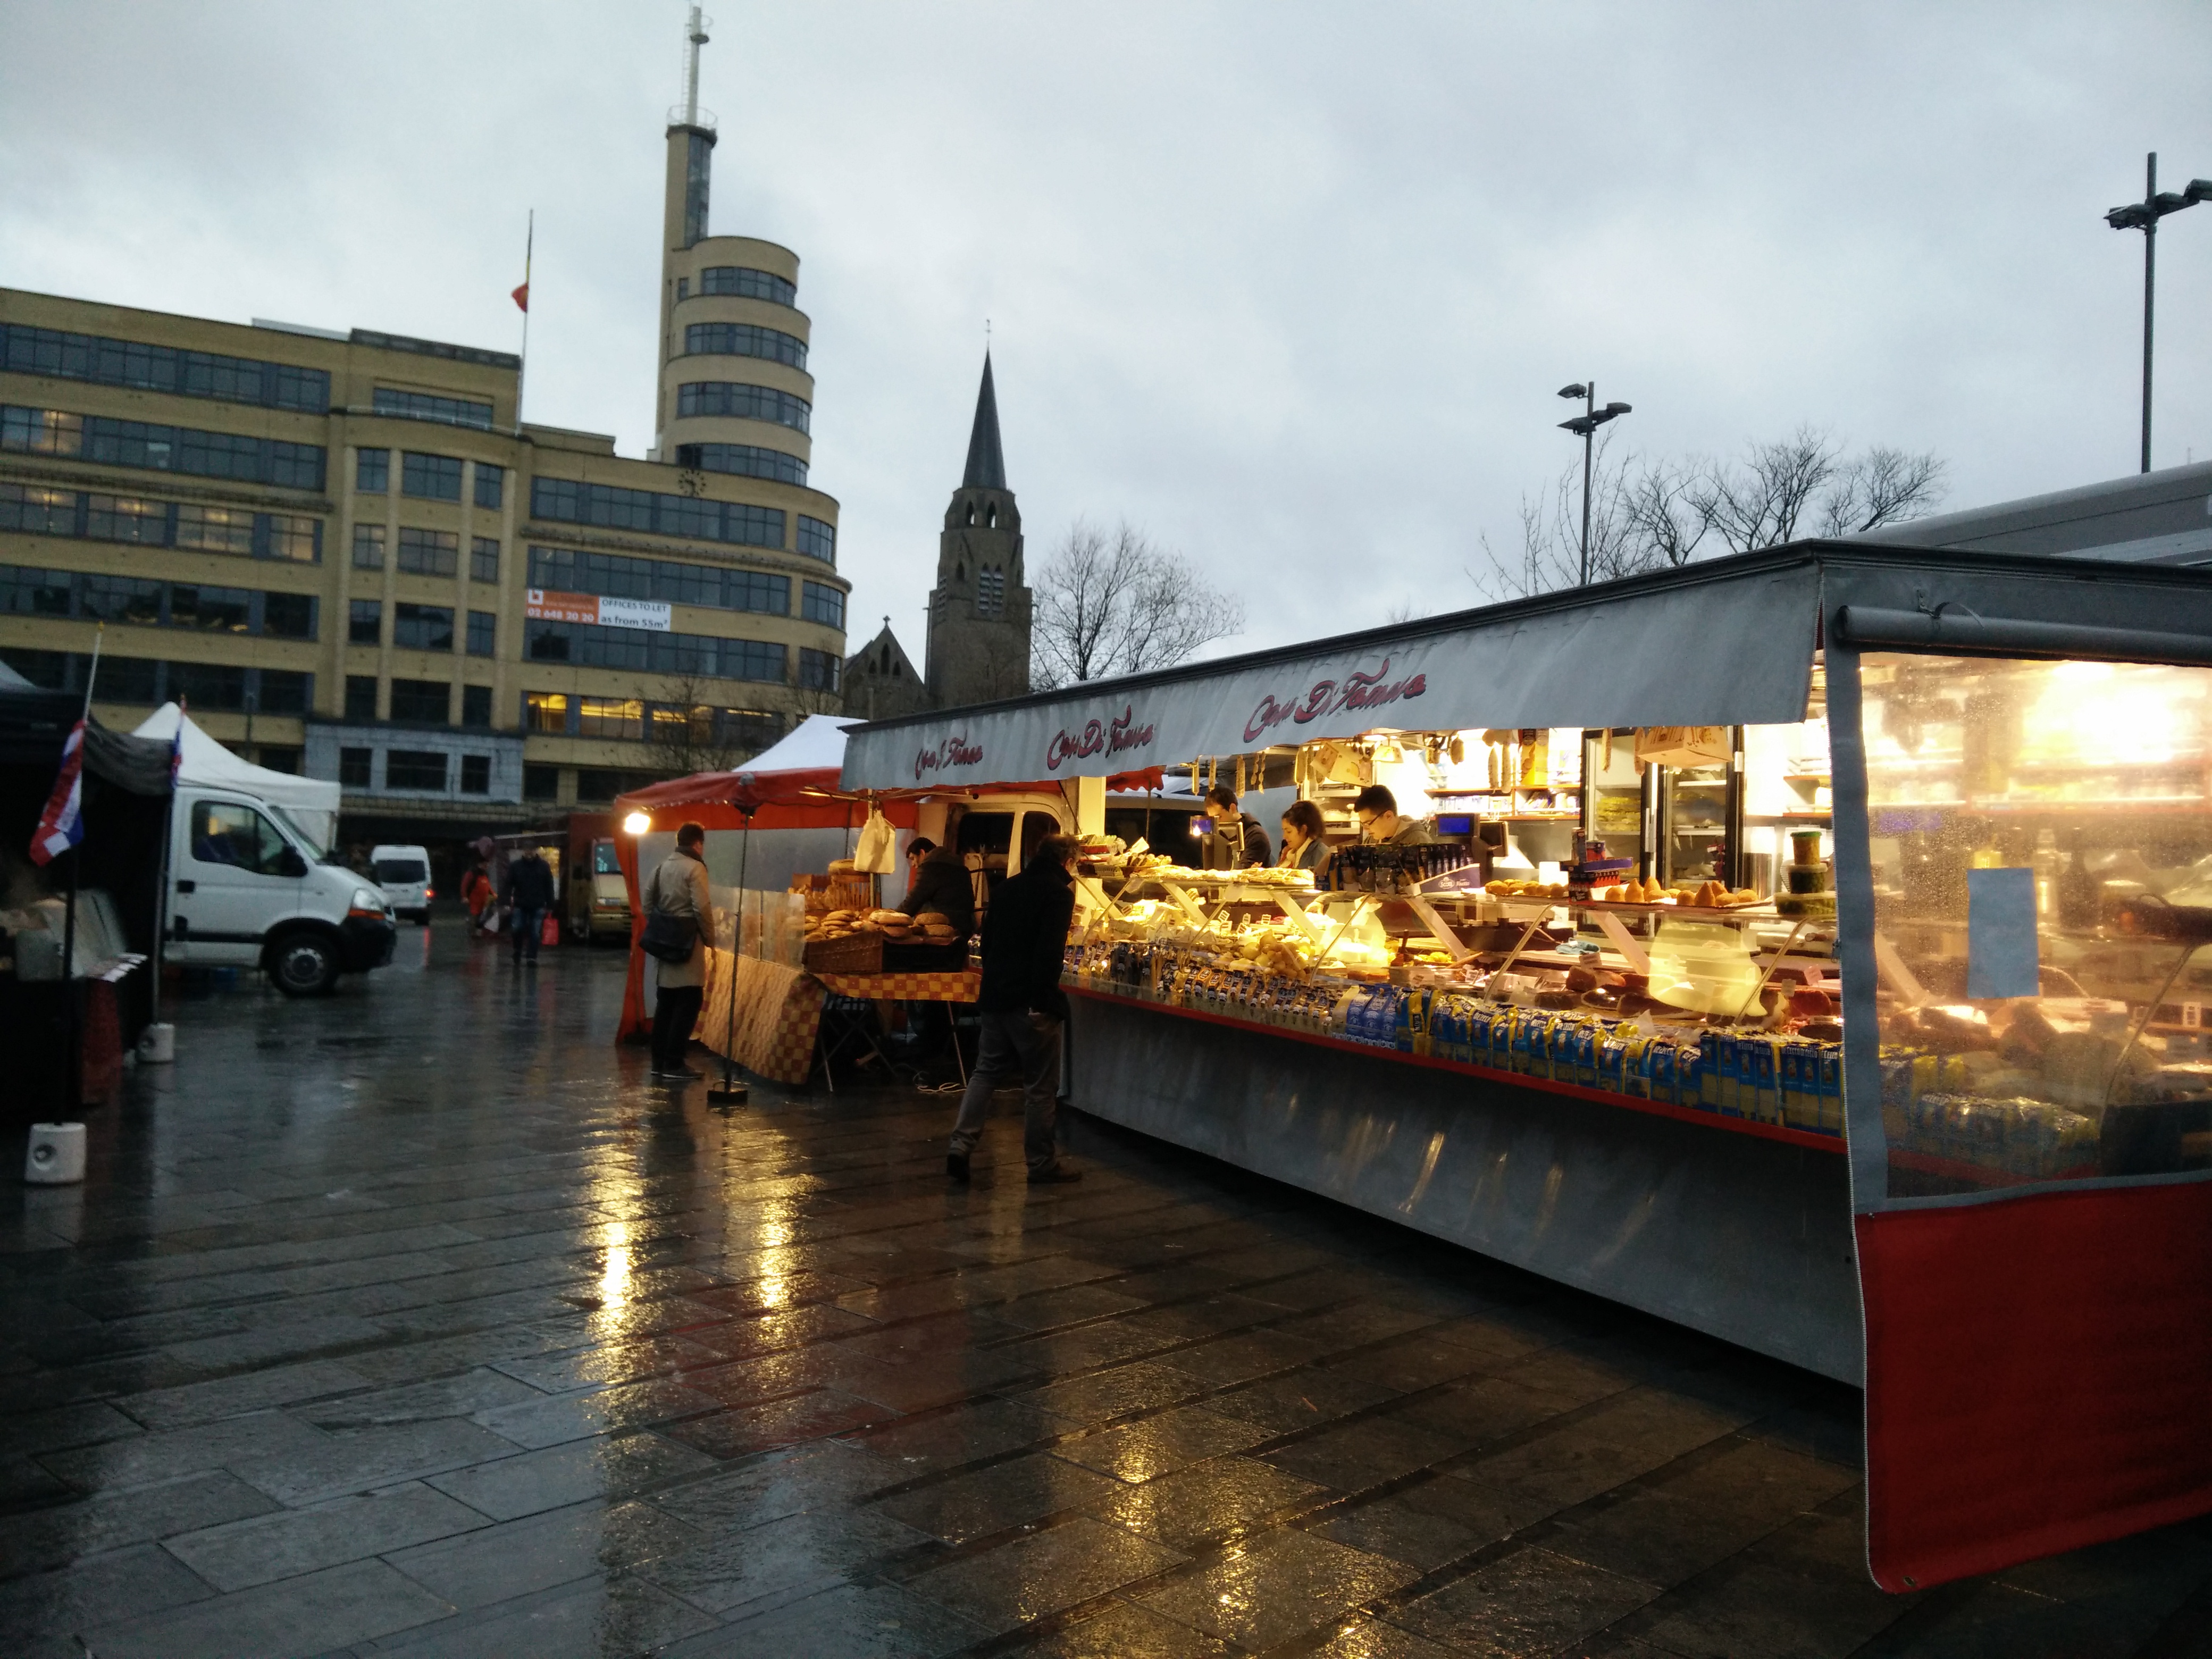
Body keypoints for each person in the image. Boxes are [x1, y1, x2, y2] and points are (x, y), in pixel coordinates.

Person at [946, 832, 1083, 1185]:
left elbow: (987, 944)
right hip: (1030, 1002)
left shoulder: (1006, 888)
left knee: (985, 1072)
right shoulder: (1058, 894)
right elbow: (1049, 953)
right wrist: (1042, 1001)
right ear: (1067, 861)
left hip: (995, 996)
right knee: (1039, 1086)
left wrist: (995, 982)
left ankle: (959, 1147)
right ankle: (1041, 1164)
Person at [645, 822, 715, 1079]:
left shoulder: (661, 867)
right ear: (697, 844)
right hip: (688, 944)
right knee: (690, 1000)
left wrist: (662, 926)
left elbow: (646, 903)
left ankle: (658, 1062)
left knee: (666, 1003)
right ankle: (675, 1062)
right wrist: (710, 938)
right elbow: (702, 908)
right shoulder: (695, 868)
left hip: (665, 946)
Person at [899, 834, 976, 940]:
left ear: (922, 853)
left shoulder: (930, 867)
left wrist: (894, 917)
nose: (913, 864)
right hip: (966, 929)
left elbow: (913, 901)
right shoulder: (961, 867)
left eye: (913, 858)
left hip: (942, 931)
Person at [1199, 785, 1271, 870]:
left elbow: (1243, 872)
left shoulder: (1256, 836)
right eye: (1213, 819)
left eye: (1219, 817)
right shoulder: (1220, 835)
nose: (1216, 823)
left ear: (1232, 808)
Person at [505, 844, 556, 963]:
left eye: (532, 849)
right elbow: (508, 884)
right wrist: (506, 901)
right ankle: (517, 950)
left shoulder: (544, 866)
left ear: (536, 851)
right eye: (527, 849)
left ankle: (531, 957)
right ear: (523, 851)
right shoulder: (516, 866)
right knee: (517, 928)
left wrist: (550, 905)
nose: (529, 852)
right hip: (520, 904)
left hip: (538, 904)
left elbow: (549, 886)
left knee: (535, 932)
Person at [1353, 784, 1432, 847]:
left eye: (1369, 823)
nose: (1366, 829)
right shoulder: (1371, 842)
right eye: (1363, 824)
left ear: (1388, 816)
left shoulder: (1419, 841)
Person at [1277, 799, 1331, 878]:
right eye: (1284, 831)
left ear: (1303, 829)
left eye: (1289, 832)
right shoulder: (1287, 852)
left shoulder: (1322, 854)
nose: (1284, 836)